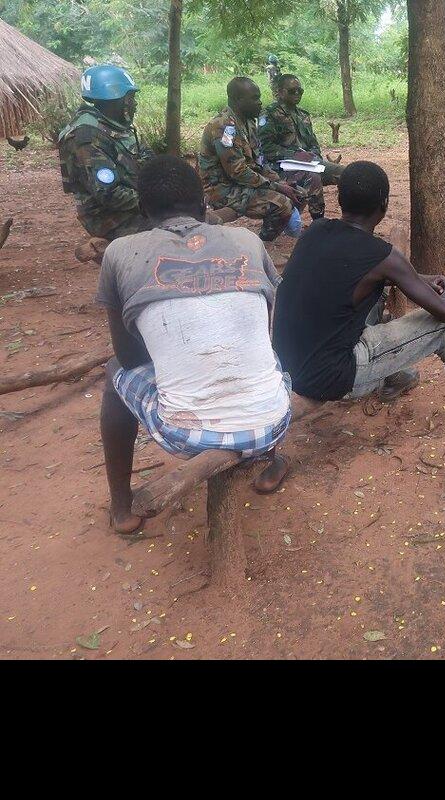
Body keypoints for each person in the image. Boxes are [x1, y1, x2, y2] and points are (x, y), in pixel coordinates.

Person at [96, 155, 293, 536]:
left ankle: (121, 505)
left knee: (113, 373)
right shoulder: (248, 240)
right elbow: (261, 326)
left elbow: (129, 357)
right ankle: (269, 459)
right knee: (264, 355)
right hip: (274, 420)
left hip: (185, 434)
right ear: (204, 205)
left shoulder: (120, 252)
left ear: (143, 210)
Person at [272, 160, 445, 425]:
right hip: (331, 378)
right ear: (384, 204)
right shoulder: (381, 256)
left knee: (371, 300)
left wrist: (418, 280)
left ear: (340, 199)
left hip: (287, 367)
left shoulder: (315, 232)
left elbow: (354, 277)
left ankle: (393, 377)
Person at [58, 65, 154, 243]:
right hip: (110, 218)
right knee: (176, 231)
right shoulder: (86, 136)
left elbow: (150, 162)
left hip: (136, 206)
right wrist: (158, 201)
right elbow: (109, 194)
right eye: (130, 98)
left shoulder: (114, 126)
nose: (134, 104)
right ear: (114, 98)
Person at [199, 77, 302, 241]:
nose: (260, 103)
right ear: (238, 100)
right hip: (220, 188)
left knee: (298, 193)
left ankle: (281, 231)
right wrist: (277, 187)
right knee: (281, 203)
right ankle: (264, 243)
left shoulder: (249, 123)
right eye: (255, 98)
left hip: (241, 182)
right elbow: (238, 172)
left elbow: (259, 161)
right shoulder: (224, 127)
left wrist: (279, 182)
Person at [259, 74, 345, 220]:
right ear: (280, 92)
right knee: (313, 177)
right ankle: (318, 221)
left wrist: (314, 156)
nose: (297, 93)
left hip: (309, 163)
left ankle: (351, 216)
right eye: (292, 91)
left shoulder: (303, 115)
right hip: (281, 166)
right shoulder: (269, 115)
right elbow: (265, 148)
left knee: (346, 173)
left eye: (300, 90)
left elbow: (313, 143)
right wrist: (293, 155)